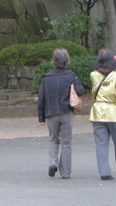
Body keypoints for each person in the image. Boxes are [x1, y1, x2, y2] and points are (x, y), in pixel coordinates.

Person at [37, 47, 86, 179]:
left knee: (53, 139)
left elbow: (41, 98)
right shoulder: (71, 76)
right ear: (67, 61)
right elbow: (81, 91)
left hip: (51, 113)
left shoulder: (46, 78)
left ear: (53, 61)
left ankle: (53, 163)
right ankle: (65, 172)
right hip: (66, 112)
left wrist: (41, 117)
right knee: (66, 142)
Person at [89, 48, 116, 180]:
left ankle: (104, 172)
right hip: (114, 113)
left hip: (97, 113)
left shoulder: (93, 75)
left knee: (101, 144)